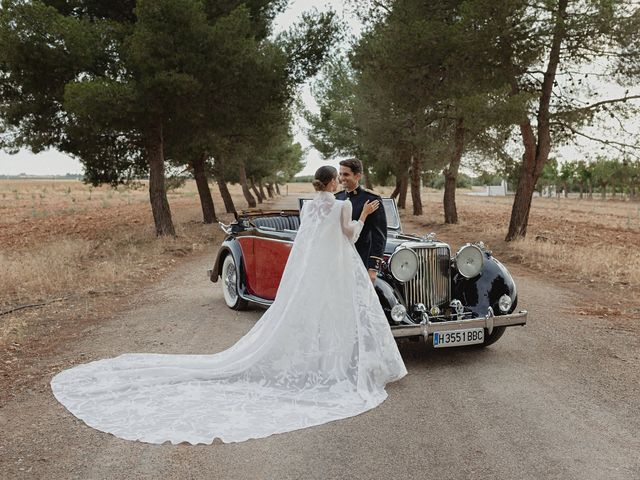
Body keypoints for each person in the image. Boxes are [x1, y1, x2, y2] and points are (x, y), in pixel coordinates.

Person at [50, 166, 407, 445]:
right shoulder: (344, 205)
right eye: (339, 178)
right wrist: (361, 217)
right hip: (340, 266)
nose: (341, 182)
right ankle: (341, 364)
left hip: (318, 270)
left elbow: (309, 240)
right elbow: (350, 236)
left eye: (346, 177)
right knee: (339, 314)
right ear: (333, 183)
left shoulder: (312, 206)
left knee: (319, 316)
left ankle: (330, 359)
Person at [335, 159, 387, 284]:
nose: (342, 178)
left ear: (358, 176)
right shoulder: (337, 197)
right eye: (340, 174)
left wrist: (373, 268)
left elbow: (379, 236)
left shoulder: (371, 199)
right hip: (339, 260)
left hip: (361, 258)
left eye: (346, 174)